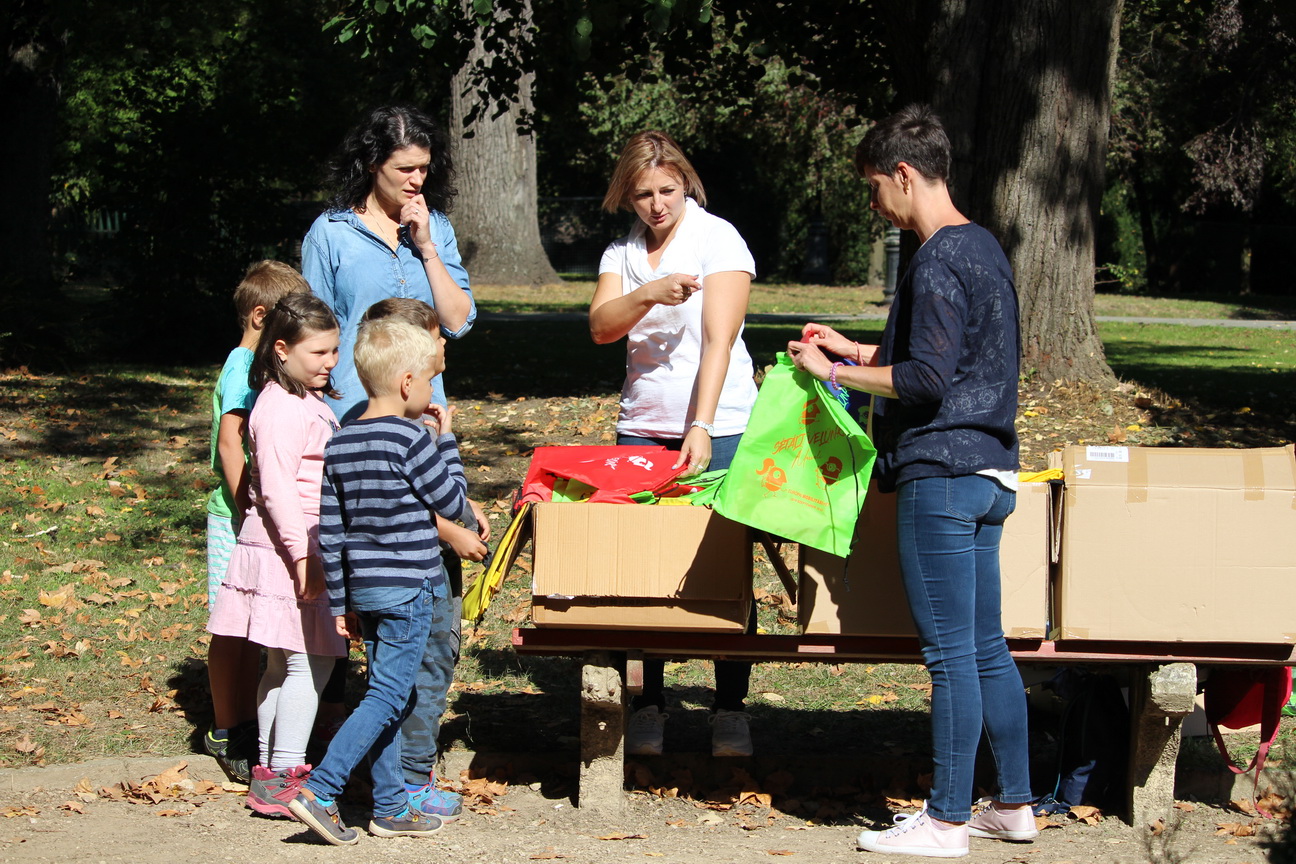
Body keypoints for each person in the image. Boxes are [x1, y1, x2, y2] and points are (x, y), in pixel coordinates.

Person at [787, 104, 1036, 858]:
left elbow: (926, 380)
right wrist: (854, 348)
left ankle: (948, 820)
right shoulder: (982, 247)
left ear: (903, 174)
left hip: (942, 475)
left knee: (950, 656)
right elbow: (950, 357)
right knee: (987, 648)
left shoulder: (932, 258)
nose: (874, 205)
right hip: (991, 471)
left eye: (874, 188)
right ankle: (1014, 806)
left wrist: (830, 373)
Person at [302, 104, 476, 740]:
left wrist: (426, 246)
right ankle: (347, 723)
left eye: (424, 169)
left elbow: (459, 319)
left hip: (422, 418)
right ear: (372, 163)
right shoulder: (331, 233)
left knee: (433, 563)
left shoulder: (437, 227)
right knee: (373, 554)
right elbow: (314, 328)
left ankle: (412, 725)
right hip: (355, 418)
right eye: (404, 169)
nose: (416, 181)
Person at [590, 130, 758, 758]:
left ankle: (730, 708)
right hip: (642, 424)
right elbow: (601, 327)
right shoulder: (622, 253)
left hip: (720, 424)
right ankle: (650, 704)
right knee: (647, 570)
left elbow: (719, 341)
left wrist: (702, 425)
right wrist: (647, 293)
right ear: (626, 196)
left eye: (667, 190)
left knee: (724, 563)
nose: (657, 205)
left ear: (685, 182)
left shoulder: (718, 239)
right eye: (643, 195)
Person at [287, 318, 468, 845]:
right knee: (389, 696)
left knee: (386, 693)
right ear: (408, 382)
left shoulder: (341, 443)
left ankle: (389, 807)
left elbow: (333, 534)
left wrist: (341, 604)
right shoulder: (412, 438)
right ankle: (321, 789)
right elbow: (453, 503)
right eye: (429, 380)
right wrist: (446, 441)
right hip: (410, 589)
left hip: (365, 591)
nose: (432, 391)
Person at [206, 293, 348, 816]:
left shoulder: (303, 399)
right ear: (282, 350)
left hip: (293, 547)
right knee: (310, 663)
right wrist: (304, 556)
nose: (330, 362)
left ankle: (269, 772)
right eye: (319, 353)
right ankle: (286, 772)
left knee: (282, 663)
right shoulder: (281, 407)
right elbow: (279, 490)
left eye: (335, 350)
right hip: (291, 550)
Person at [360, 298, 490, 820]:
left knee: (413, 672)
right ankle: (410, 780)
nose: (444, 344)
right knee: (425, 669)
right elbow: (416, 502)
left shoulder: (398, 418)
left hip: (393, 573)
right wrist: (454, 527)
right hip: (419, 574)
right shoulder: (407, 429)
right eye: (437, 337)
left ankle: (398, 779)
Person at [203, 261, 309, 783]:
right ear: (262, 316)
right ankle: (228, 728)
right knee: (233, 628)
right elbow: (231, 443)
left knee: (254, 629)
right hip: (236, 517)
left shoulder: (256, 365)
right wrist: (248, 505)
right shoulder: (243, 366)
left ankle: (251, 721)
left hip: (254, 516)